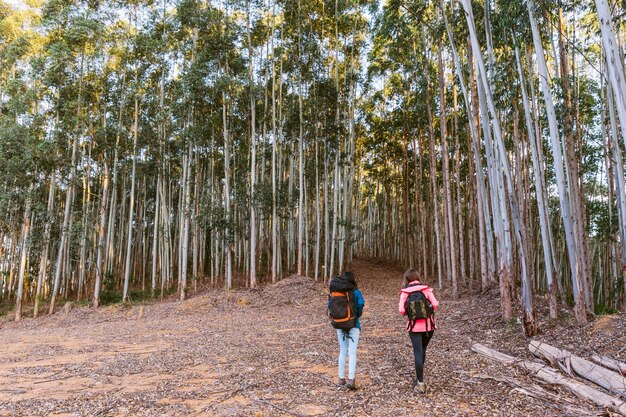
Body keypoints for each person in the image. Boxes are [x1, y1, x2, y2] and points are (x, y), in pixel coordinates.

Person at [398, 269, 439, 393]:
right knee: (423, 349)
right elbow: (435, 304)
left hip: (414, 327)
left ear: (407, 279)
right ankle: (419, 377)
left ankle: (420, 382)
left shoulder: (405, 292)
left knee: (417, 351)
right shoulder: (426, 290)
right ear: (418, 277)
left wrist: (409, 312)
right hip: (429, 326)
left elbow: (401, 310)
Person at [328, 271, 364, 390]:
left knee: (342, 351)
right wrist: (356, 316)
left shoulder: (336, 292)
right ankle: (351, 379)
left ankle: (341, 378)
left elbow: (329, 305)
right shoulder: (355, 291)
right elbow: (361, 304)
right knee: (352, 352)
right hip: (353, 324)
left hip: (339, 324)